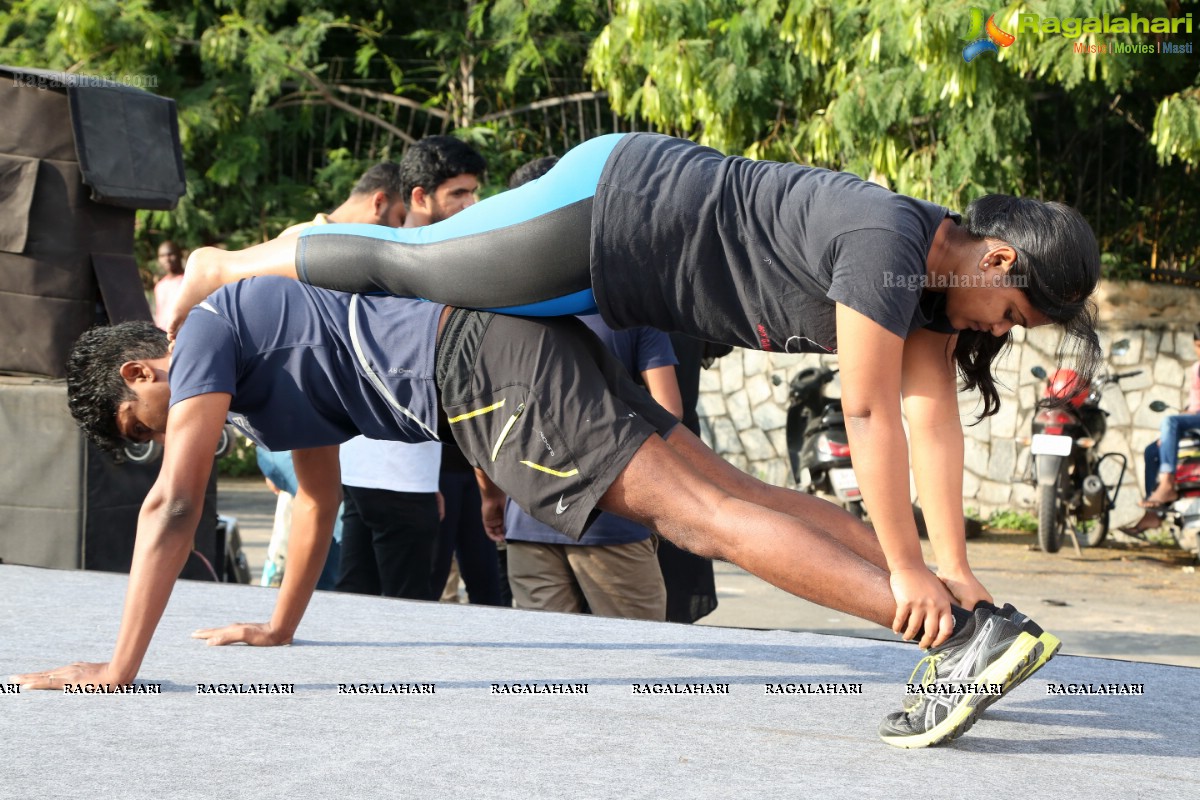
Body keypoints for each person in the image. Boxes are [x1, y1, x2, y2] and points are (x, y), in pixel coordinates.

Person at [167, 132, 1101, 656]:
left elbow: (927, 421)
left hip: (615, 288)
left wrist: (954, 569)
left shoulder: (936, 302)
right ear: (998, 255)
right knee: (403, 263)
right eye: (1013, 311)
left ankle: (952, 630)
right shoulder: (887, 242)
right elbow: (867, 415)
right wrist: (904, 568)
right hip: (606, 210)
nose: (1000, 330)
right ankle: (227, 260)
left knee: (748, 499)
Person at [20, 276, 1053, 748]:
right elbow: (321, 494)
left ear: (143, 369)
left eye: (139, 419)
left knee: (697, 519)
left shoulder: (201, 334)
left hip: (483, 367)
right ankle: (968, 609)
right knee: (734, 491)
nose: (157, 432)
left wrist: (117, 666)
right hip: (494, 355)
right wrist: (284, 622)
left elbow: (172, 508)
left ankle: (956, 634)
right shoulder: (261, 361)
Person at [501, 157, 679, 621]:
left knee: (544, 671)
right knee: (643, 666)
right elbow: (667, 411)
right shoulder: (626, 304)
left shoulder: (498, 305)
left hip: (529, 514)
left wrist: (489, 493)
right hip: (615, 520)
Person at [385, 136, 505, 606]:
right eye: (458, 193)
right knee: (409, 606)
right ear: (420, 196)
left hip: (470, 463)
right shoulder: (383, 264)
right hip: (407, 473)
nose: (472, 204)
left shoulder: (472, 262)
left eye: (473, 192)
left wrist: (490, 484)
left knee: (491, 599)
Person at [1122, 323, 1200, 533]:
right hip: (1195, 419)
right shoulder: (1196, 367)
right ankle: (1152, 514)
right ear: (1195, 345)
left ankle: (1167, 483)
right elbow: (1194, 406)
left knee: (1169, 422)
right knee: (1151, 451)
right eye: (1199, 345)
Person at [151, 240, 184, 330]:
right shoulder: (160, 286)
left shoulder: (188, 280)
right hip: (163, 336)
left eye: (170, 254)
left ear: (180, 255)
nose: (167, 259)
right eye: (162, 256)